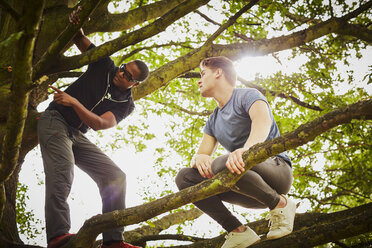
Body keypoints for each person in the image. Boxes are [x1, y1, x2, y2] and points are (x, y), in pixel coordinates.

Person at [37, 6, 149, 248]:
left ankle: (113, 241)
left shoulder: (126, 105)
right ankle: (57, 236)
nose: (121, 74)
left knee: (115, 176)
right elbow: (79, 38)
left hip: (77, 134)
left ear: (135, 85)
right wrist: (76, 22)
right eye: (123, 68)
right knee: (63, 170)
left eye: (129, 77)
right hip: (54, 120)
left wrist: (74, 102)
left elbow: (100, 124)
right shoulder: (104, 65)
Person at [175, 56, 296, 248]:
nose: (199, 80)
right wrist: (199, 158)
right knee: (185, 178)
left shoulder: (247, 95)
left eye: (202, 73)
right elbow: (202, 156)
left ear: (218, 73)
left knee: (221, 164)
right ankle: (238, 231)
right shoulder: (213, 120)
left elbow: (262, 123)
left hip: (276, 172)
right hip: (246, 187)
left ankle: (280, 204)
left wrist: (245, 151)